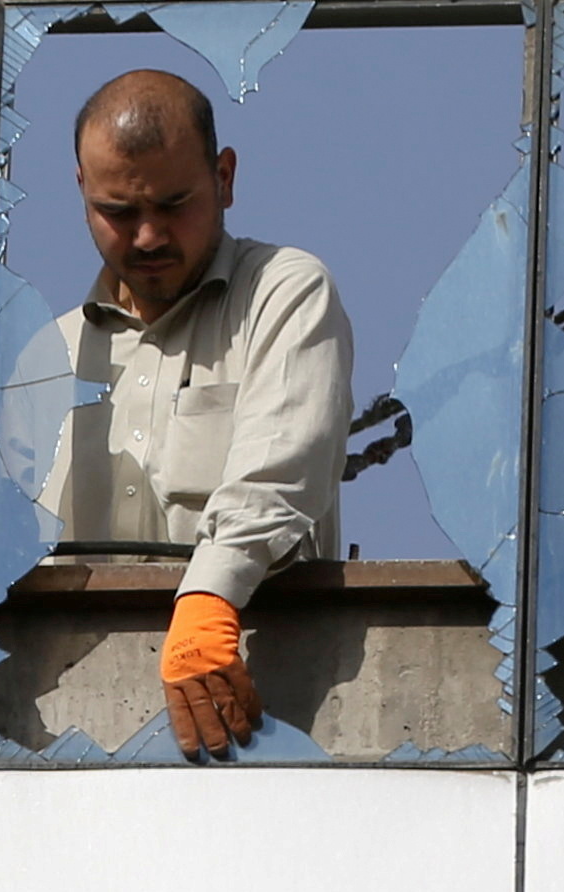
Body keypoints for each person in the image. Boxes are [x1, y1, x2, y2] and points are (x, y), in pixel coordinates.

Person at [33, 69, 353, 756]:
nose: (147, 237)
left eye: (174, 204)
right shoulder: (49, 358)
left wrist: (210, 600)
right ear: (82, 195)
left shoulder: (284, 294)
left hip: (266, 708)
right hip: (79, 725)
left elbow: (282, 465)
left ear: (226, 178)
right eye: (118, 212)